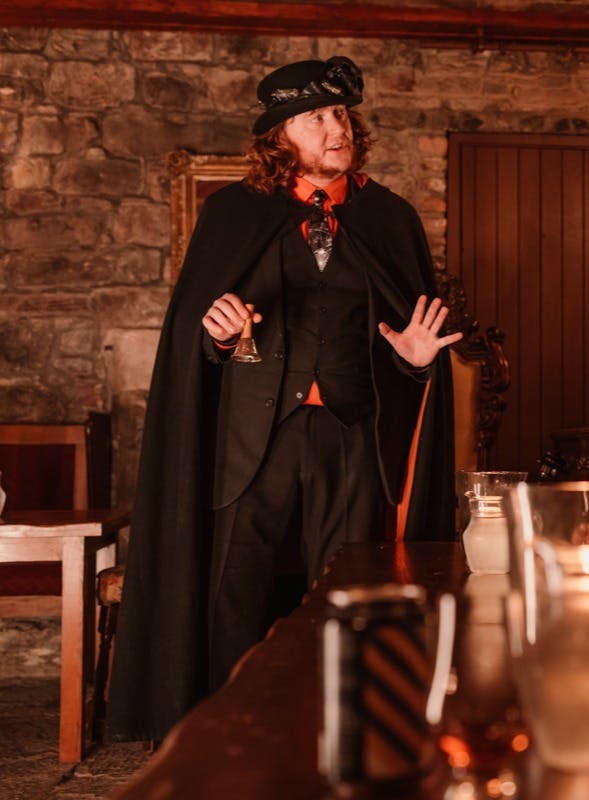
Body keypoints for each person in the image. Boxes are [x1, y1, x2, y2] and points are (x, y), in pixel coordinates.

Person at [108, 56, 462, 742]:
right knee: (231, 586)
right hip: (252, 436)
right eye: (316, 119)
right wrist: (220, 339)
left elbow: (409, 339)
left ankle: (343, 730)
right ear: (279, 139)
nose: (337, 130)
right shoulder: (233, 215)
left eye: (341, 116)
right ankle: (227, 730)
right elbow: (201, 340)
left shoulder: (389, 218)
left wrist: (414, 363)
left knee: (351, 585)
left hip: (354, 431)